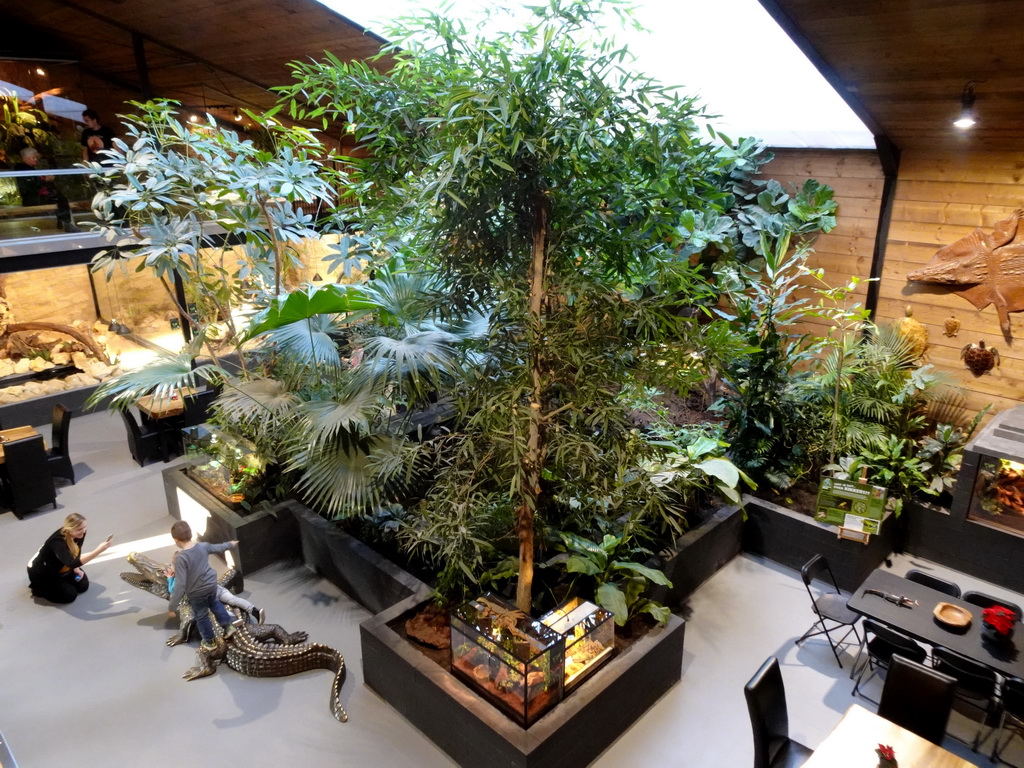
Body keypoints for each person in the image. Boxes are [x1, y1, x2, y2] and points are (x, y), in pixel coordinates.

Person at [167, 521, 240, 650]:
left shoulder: (181, 558)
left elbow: (180, 584)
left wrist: (172, 606)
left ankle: (210, 642)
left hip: (196, 592)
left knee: (201, 616)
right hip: (211, 585)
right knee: (215, 604)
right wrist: (231, 544)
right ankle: (228, 626)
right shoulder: (203, 546)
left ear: (176, 540)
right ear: (190, 534)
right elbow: (219, 547)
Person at [27, 513, 113, 603]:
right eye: (80, 529)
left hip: (63, 565)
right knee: (70, 596)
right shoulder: (57, 542)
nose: (83, 531)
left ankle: (63, 582)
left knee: (83, 586)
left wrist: (76, 568)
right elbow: (71, 563)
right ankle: (41, 589)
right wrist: (98, 551)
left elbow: (77, 550)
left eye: (84, 527)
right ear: (69, 529)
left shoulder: (79, 534)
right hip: (45, 572)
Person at [165, 559, 265, 624]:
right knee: (233, 599)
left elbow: (172, 590)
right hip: (216, 588)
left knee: (216, 608)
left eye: (171, 566)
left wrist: (170, 578)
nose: (170, 567)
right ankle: (255, 611)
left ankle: (233, 619)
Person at [14, 147, 78, 232]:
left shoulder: (26, 168)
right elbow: (31, 185)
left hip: (35, 196)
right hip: (32, 198)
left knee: (59, 197)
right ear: (26, 158)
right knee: (61, 199)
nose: (36, 160)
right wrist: (45, 180)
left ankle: (63, 221)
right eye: (34, 158)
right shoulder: (22, 169)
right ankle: (66, 223)